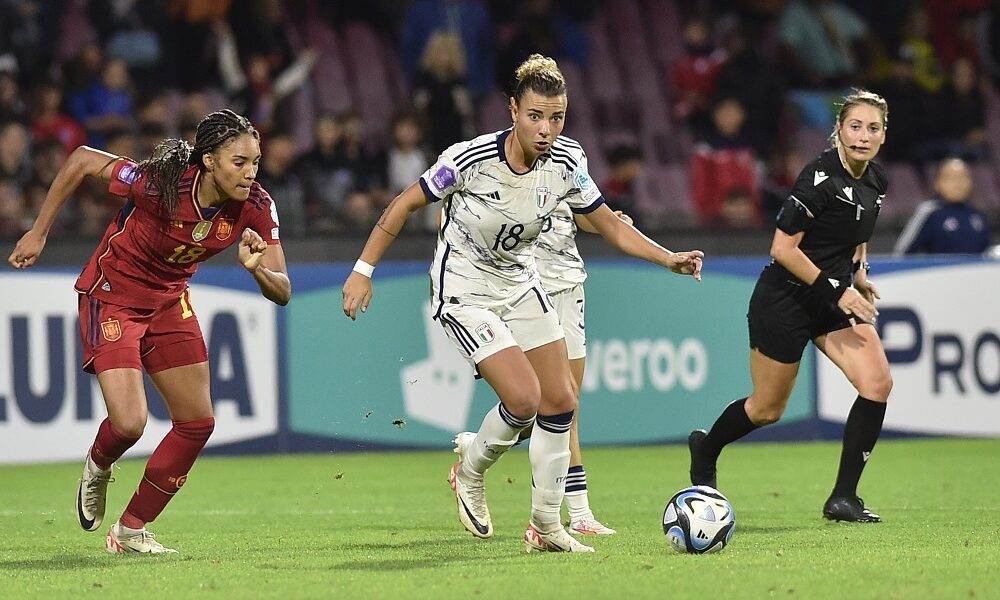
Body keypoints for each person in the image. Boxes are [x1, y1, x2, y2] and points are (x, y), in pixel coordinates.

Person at [343, 54, 704, 553]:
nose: (546, 128)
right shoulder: (469, 160)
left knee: (561, 400)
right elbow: (404, 203)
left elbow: (610, 225)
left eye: (556, 117)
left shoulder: (568, 163)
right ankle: (468, 473)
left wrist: (669, 259)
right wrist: (364, 270)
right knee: (524, 399)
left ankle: (546, 527)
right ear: (513, 110)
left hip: (520, 283)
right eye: (535, 115)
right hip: (465, 290)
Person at [7, 109, 291, 554]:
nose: (250, 173)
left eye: (256, 162)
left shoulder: (256, 205)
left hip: (168, 301)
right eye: (240, 162)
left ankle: (132, 529)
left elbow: (283, 291)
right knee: (130, 422)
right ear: (210, 160)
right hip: (114, 294)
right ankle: (98, 465)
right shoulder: (160, 184)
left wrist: (257, 271)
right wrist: (39, 233)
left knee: (197, 423)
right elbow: (82, 158)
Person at [687, 90, 891, 523]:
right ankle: (707, 449)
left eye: (872, 128)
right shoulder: (817, 179)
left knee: (877, 383)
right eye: (855, 126)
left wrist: (859, 273)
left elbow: (859, 229)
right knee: (767, 409)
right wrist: (838, 290)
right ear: (838, 130)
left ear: (883, 136)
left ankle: (844, 498)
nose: (862, 136)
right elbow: (781, 248)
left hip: (832, 294)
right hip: (786, 297)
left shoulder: (877, 180)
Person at [893, 158, 992, 255]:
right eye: (951, 178)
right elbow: (902, 253)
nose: (958, 183)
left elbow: (986, 253)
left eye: (963, 177)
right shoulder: (930, 212)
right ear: (938, 183)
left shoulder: (977, 213)